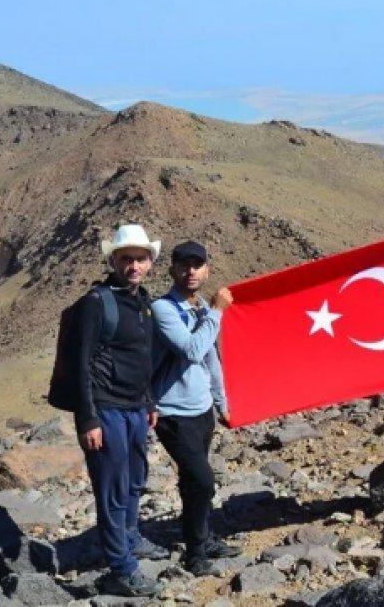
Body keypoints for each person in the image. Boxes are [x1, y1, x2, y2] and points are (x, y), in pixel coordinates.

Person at [76, 224, 166, 598]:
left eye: (140, 259)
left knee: (134, 481)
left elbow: (140, 358)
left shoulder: (142, 302)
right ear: (112, 260)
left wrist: (148, 402)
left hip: (135, 409)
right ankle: (121, 567)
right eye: (126, 258)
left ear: (149, 263)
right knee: (112, 489)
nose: (133, 265)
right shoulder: (97, 303)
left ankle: (130, 538)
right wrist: (88, 419)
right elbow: (81, 364)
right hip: (107, 410)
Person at [151, 241, 242, 575]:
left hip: (202, 410)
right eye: (184, 265)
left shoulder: (201, 306)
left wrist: (221, 403)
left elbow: (210, 359)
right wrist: (218, 313)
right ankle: (195, 552)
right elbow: (191, 349)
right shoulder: (163, 309)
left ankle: (201, 540)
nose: (191, 272)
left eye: (197, 265)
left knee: (193, 481)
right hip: (172, 412)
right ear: (173, 269)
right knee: (203, 481)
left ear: (207, 269)